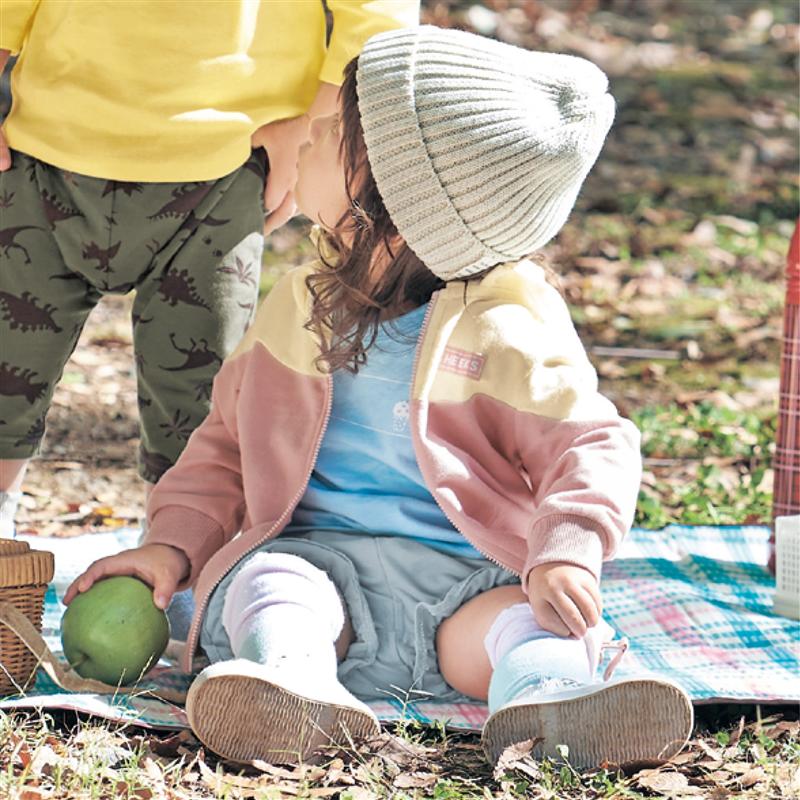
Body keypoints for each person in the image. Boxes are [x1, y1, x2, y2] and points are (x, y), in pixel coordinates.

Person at [65, 27, 694, 770]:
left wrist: (566, 554)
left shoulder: (507, 324)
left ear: (397, 198)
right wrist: (172, 546)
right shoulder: (299, 307)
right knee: (271, 589)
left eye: (332, 130)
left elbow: (590, 444)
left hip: (466, 578)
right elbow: (225, 449)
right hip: (319, 567)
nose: (307, 134)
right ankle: (292, 687)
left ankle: (553, 700)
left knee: (525, 626)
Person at [0, 0, 419, 537]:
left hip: (224, 167)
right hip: (43, 154)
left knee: (199, 405)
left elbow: (377, 14)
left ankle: (178, 553)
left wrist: (316, 120)